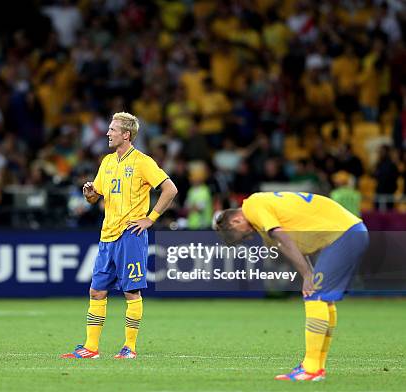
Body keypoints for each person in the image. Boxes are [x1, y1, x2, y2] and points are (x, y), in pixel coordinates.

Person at [213, 192, 368, 381]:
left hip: (344, 234)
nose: (246, 238)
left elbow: (282, 237)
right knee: (322, 299)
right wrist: (308, 272)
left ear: (236, 221)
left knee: (314, 296)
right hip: (349, 232)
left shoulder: (252, 206)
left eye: (241, 236)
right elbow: (289, 243)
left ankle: (311, 369)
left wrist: (307, 275)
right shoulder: (264, 211)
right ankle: (315, 368)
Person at [61, 112, 178, 359]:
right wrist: (89, 193)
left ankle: (130, 348)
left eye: (113, 130)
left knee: (131, 292)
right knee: (96, 291)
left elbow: (170, 189)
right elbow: (96, 197)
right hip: (107, 236)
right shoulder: (107, 162)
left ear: (126, 134)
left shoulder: (142, 162)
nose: (107, 133)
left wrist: (151, 218)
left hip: (130, 235)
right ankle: (91, 348)